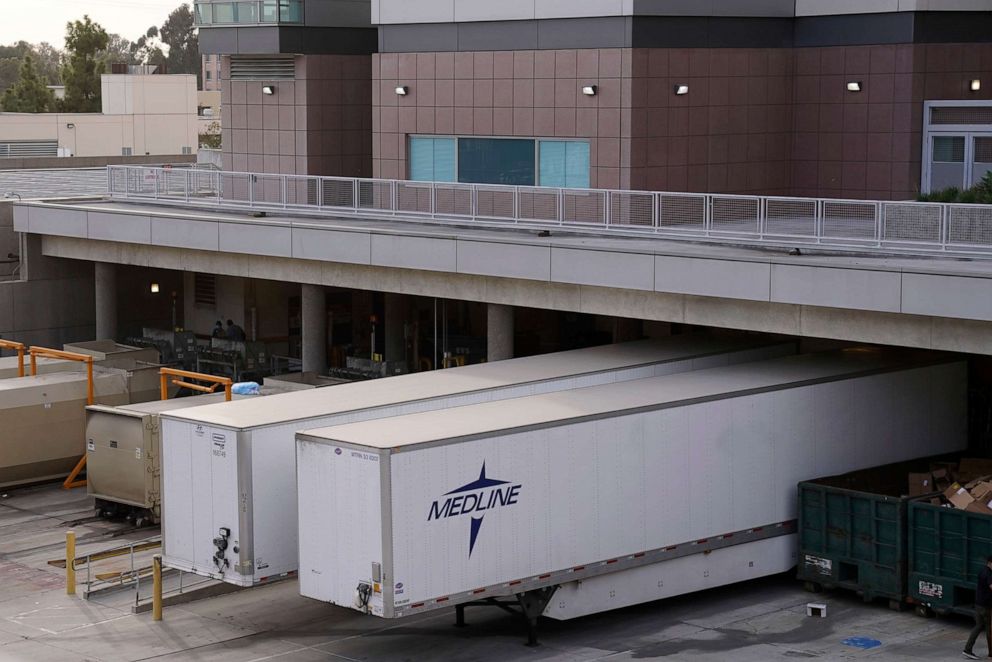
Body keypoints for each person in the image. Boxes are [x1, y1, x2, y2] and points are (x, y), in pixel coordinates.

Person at [964, 556, 992, 659]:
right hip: (985, 606)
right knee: (989, 628)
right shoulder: (988, 573)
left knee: (979, 626)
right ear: (990, 563)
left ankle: (967, 649)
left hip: (978, 604)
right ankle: (991, 652)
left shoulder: (982, 571)